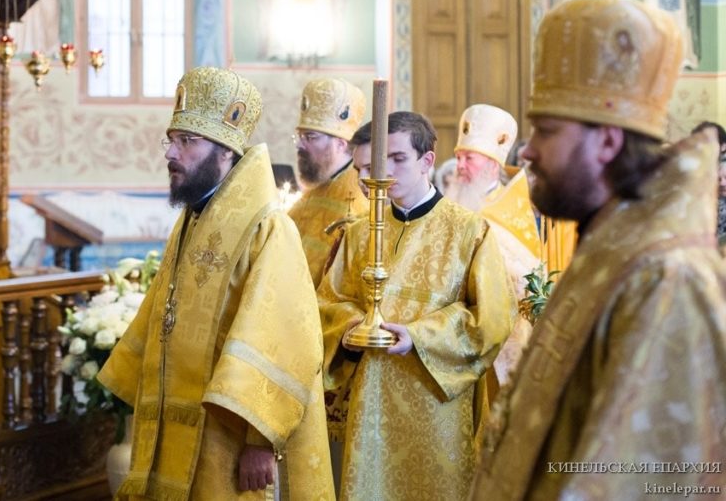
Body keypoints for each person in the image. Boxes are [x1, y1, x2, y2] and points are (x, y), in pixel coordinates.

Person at [471, 0, 726, 499]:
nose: (527, 149)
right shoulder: (608, 246)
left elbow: (640, 481)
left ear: (607, 142)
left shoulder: (667, 277)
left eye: (546, 130)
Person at [97, 67, 334, 500]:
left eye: (187, 141)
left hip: (230, 436)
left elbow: (284, 338)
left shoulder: (267, 228)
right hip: (178, 418)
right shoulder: (192, 217)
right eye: (171, 140)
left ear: (225, 150)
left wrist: (260, 440)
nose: (171, 153)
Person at [318, 111, 515, 501]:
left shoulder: (470, 231)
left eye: (398, 158)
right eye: (380, 162)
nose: (386, 171)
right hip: (371, 404)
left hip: (438, 411)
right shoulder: (359, 233)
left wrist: (419, 337)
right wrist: (352, 325)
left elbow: (492, 319)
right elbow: (327, 301)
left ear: (427, 161)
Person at [448, 104, 540, 386]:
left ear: (492, 164)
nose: (460, 166)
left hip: (497, 335)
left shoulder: (510, 210)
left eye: (469, 158)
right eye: (459, 157)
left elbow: (527, 280)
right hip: (451, 332)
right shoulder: (451, 204)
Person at [288, 78, 368, 287]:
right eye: (300, 137)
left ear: (340, 144)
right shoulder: (313, 192)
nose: (300, 146)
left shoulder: (360, 200)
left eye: (310, 137)